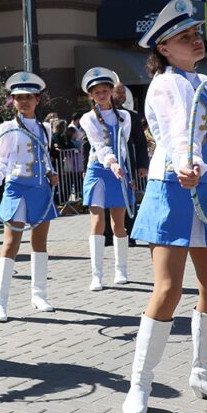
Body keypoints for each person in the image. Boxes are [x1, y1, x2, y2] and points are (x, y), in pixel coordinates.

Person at [121, 0, 207, 413]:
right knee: (168, 289)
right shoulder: (166, 84)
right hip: (174, 184)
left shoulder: (205, 83)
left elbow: (204, 129)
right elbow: (176, 132)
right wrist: (185, 162)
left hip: (205, 185)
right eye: (185, 37)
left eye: (196, 34)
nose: (196, 40)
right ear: (163, 49)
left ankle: (205, 375)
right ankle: (140, 383)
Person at [0, 73, 59, 323]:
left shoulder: (45, 128)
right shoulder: (7, 128)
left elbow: (44, 156)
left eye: (28, 97)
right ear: (12, 101)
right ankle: (0, 304)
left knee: (40, 242)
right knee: (10, 244)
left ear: (37, 99)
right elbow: (1, 160)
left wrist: (51, 172)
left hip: (40, 189)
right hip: (16, 188)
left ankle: (39, 295)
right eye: (18, 98)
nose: (23, 101)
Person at [79, 67, 136, 291]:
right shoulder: (88, 118)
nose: (102, 95)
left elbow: (124, 144)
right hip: (98, 170)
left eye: (105, 90)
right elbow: (99, 145)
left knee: (118, 224)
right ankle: (97, 275)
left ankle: (121, 270)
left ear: (112, 91)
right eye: (97, 92)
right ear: (91, 96)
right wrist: (112, 162)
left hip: (119, 171)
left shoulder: (125, 116)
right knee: (97, 223)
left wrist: (122, 166)